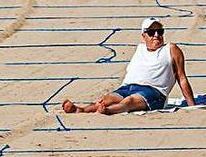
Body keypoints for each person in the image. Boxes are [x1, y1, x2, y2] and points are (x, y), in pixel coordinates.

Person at [62, 18, 196, 114]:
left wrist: (192, 105)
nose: (156, 35)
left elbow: (181, 77)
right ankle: (81, 110)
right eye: (151, 32)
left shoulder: (171, 49)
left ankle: (109, 111)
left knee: (129, 101)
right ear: (144, 35)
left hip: (154, 91)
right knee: (107, 99)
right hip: (129, 86)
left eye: (160, 32)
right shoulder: (140, 49)